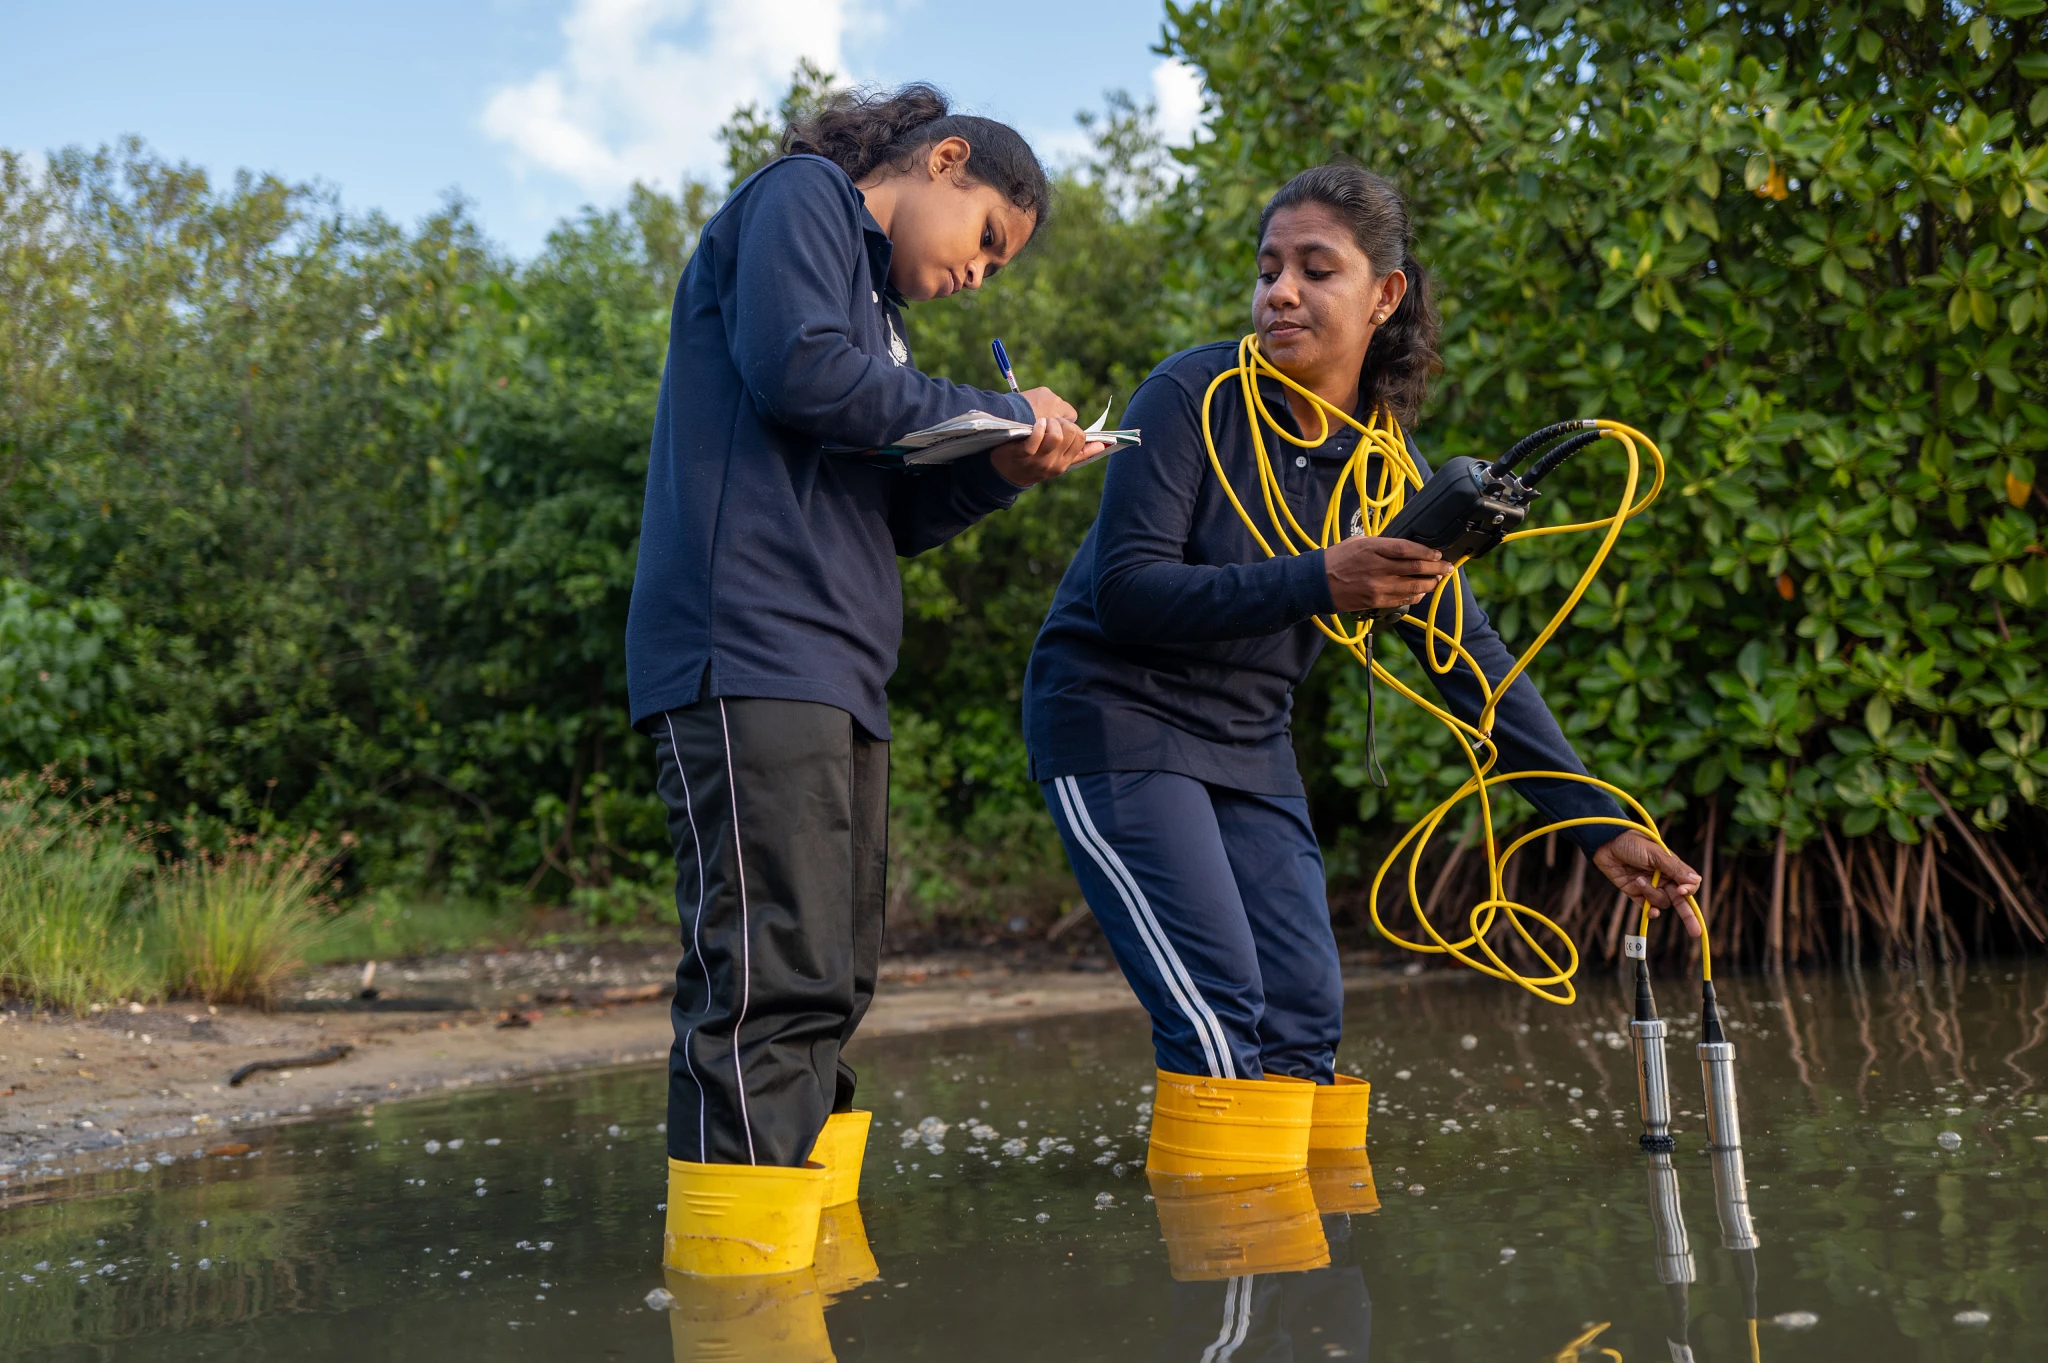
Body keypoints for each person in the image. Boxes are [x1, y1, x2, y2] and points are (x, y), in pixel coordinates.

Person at [1021, 164, 1701, 1171]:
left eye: (1313, 268)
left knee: (1302, 1015)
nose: (1279, 292)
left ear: (1383, 296)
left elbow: (1467, 654)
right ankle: (1228, 1299)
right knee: (1221, 1019)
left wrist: (1595, 821)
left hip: (1246, 742)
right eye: (1267, 269)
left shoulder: (1391, 465)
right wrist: (1316, 580)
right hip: (1116, 721)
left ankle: (1312, 1313)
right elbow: (1125, 593)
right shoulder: (1190, 393)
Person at [627, 83, 1099, 1274]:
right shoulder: (801, 201)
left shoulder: (877, 322)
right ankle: (739, 1299)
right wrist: (994, 405)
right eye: (986, 238)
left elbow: (886, 510)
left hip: (836, 670)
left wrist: (1001, 467)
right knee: (768, 979)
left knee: (834, 982)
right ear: (942, 162)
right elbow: (798, 372)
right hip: (745, 649)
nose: (978, 277)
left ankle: (804, 1267)